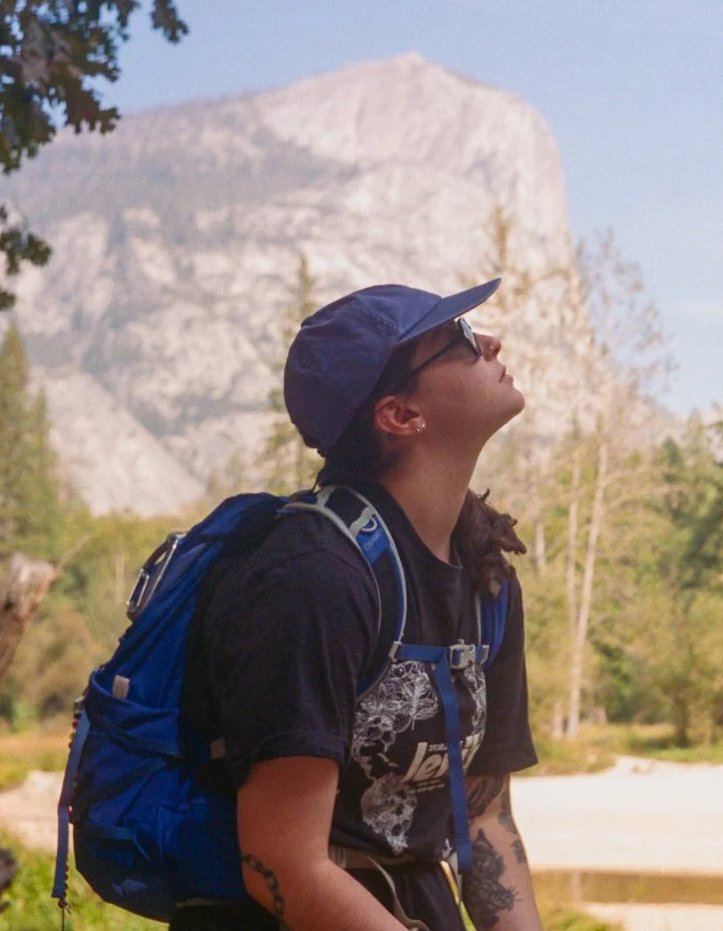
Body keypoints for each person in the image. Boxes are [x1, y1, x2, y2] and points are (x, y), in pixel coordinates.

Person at [176, 279, 543, 931]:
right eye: (456, 340)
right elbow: (285, 864)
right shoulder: (312, 579)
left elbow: (484, 816)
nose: (488, 341)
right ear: (400, 415)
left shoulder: (484, 575)